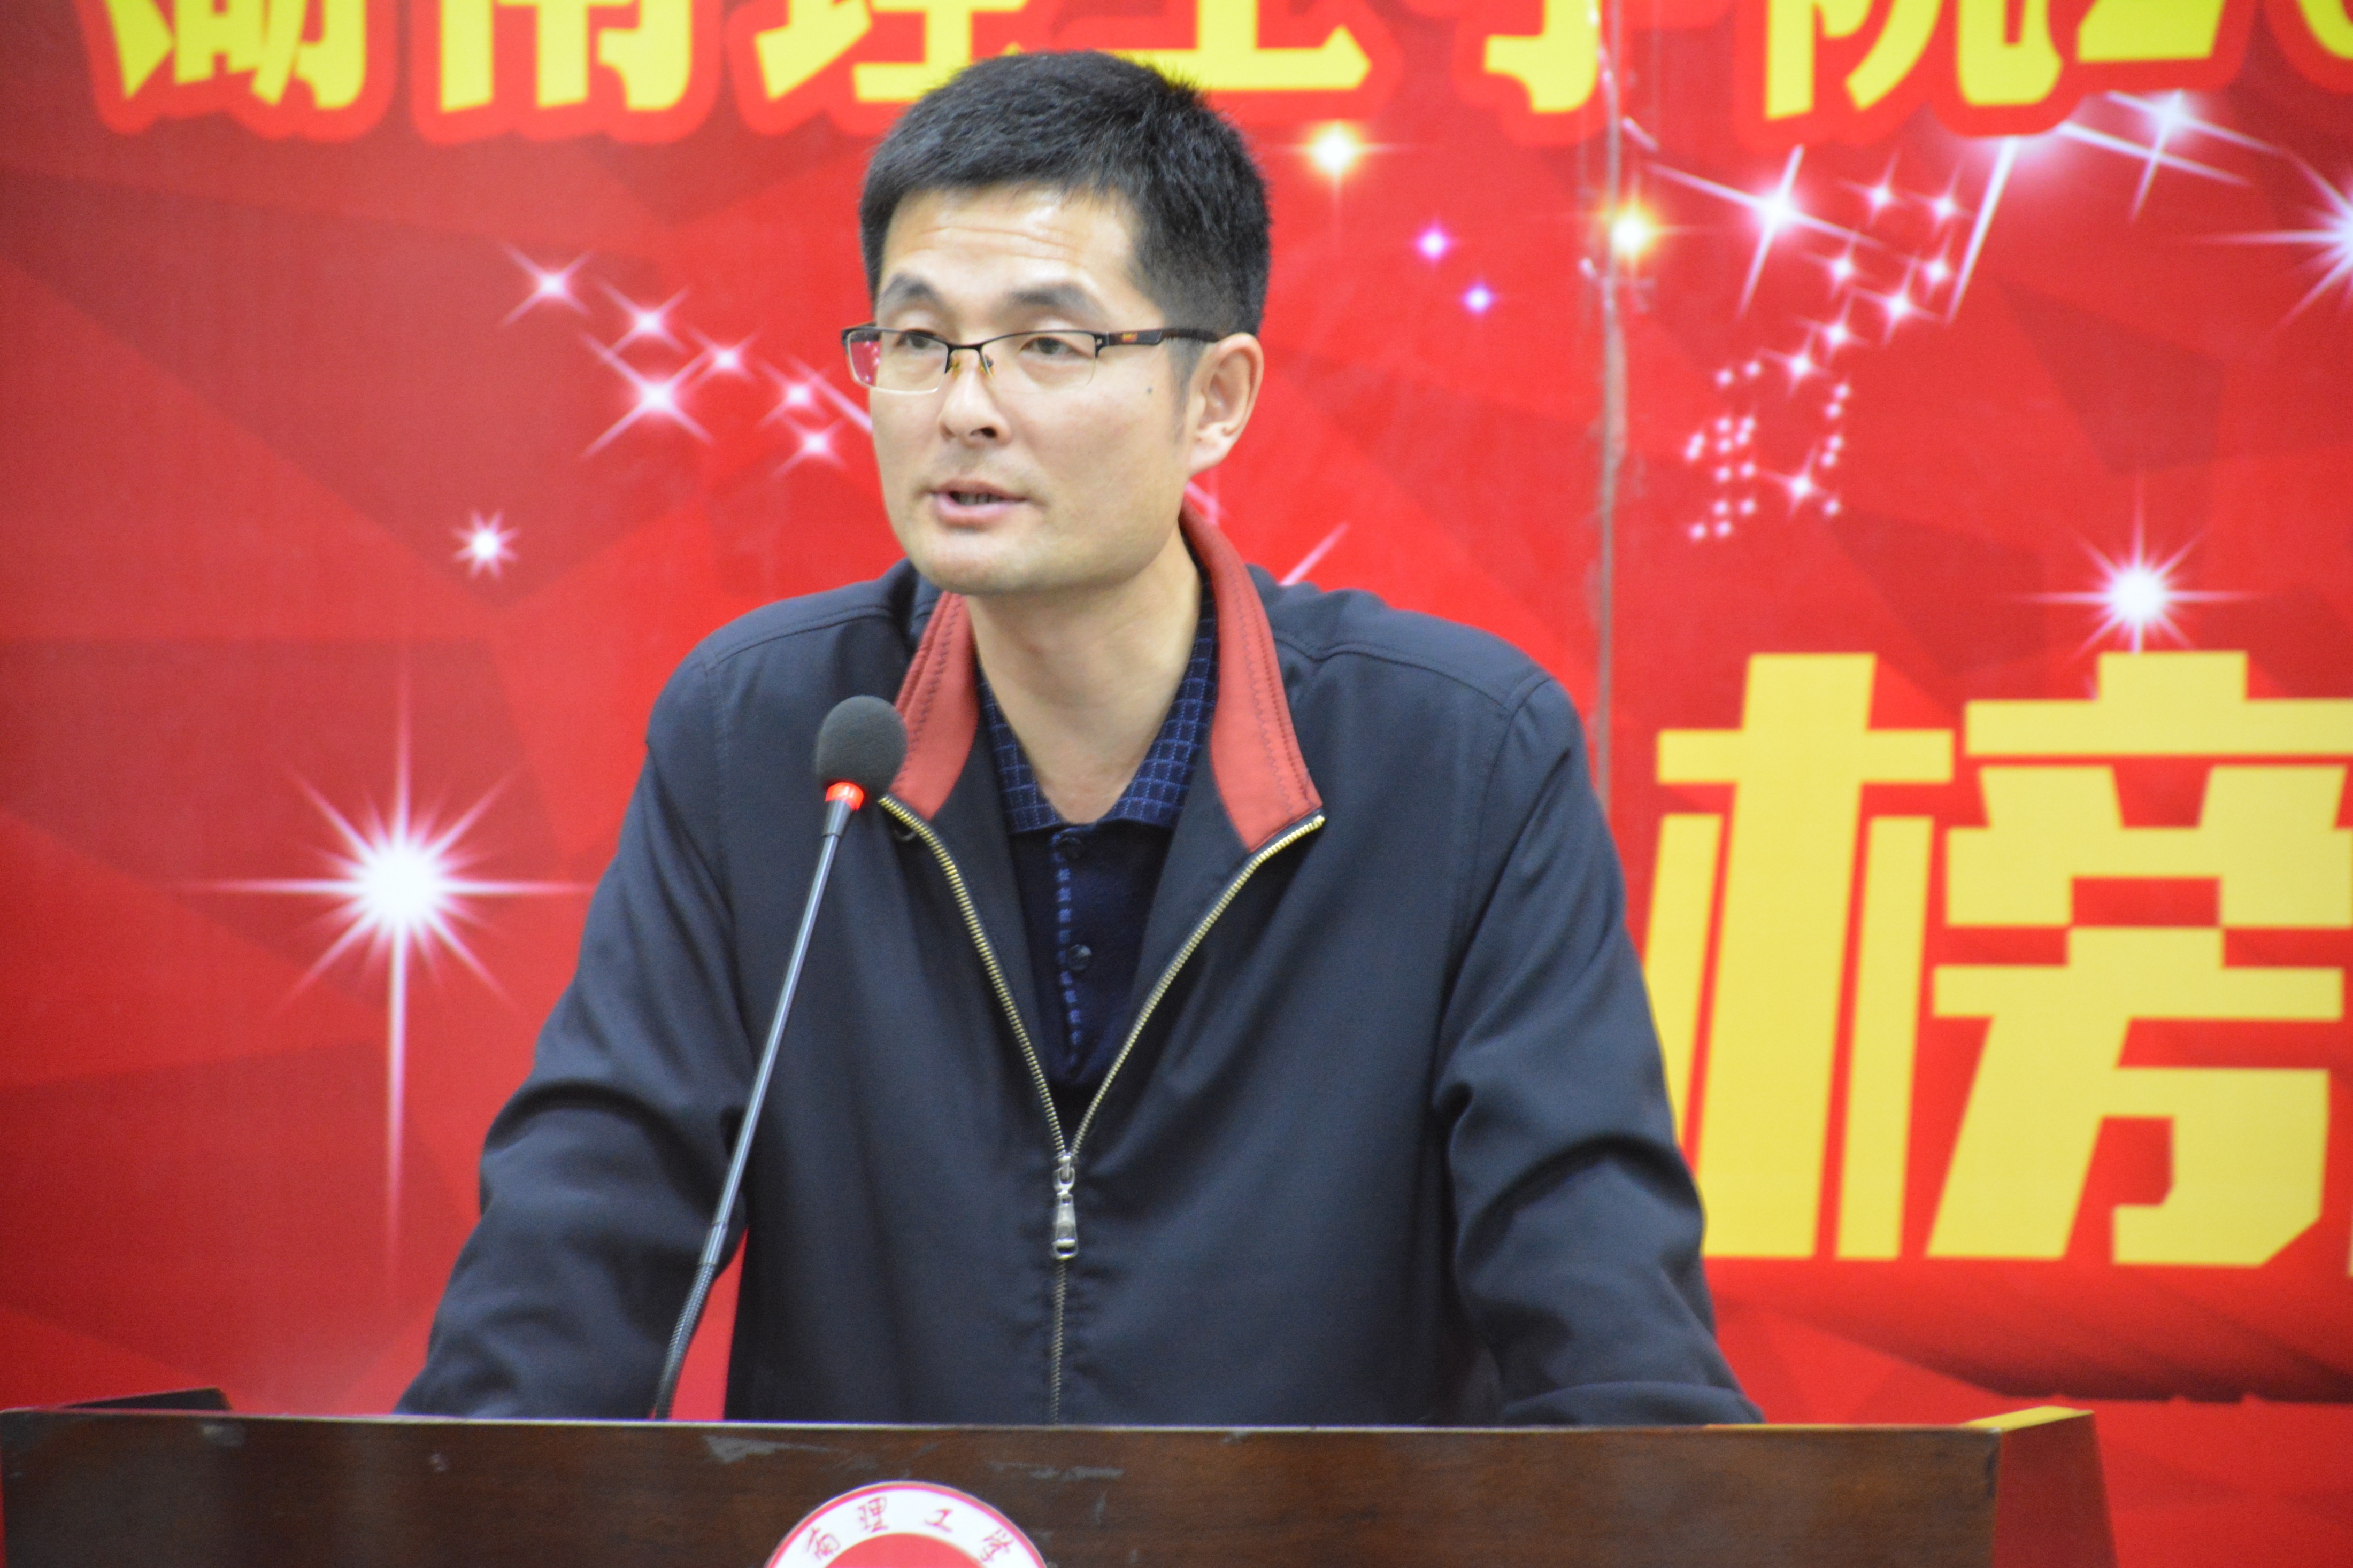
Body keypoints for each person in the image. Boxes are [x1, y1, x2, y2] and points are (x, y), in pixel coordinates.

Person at [401, 51, 1758, 1427]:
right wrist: (448, 1497)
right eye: (917, 341)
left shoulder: (1461, 760)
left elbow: (1604, 1326)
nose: (964, 407)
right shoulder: (766, 735)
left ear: (1214, 398)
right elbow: (584, 1232)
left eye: (1048, 345)